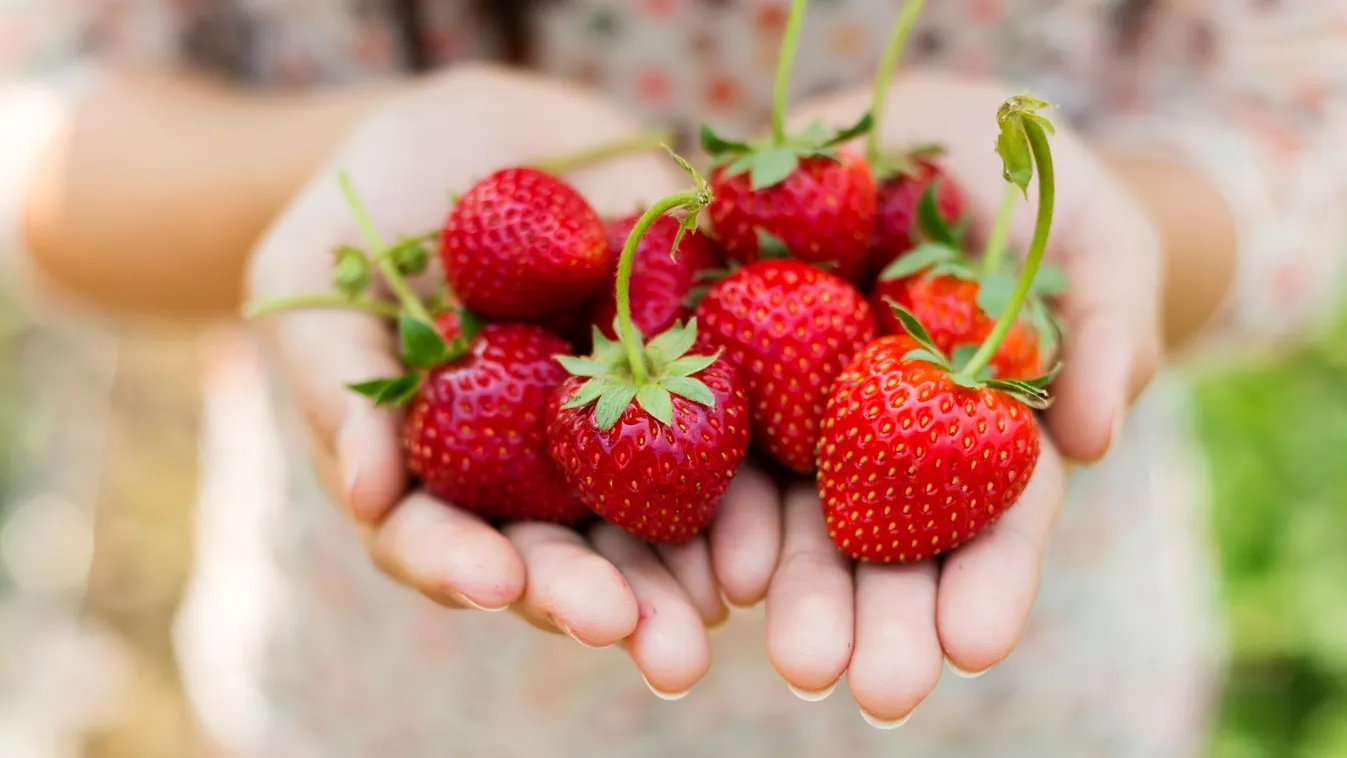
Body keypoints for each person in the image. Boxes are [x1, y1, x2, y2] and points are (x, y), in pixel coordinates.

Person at [3, 1, 1345, 756]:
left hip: (1004, 708)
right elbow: (37, 119)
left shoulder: (879, 324)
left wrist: (1088, 238)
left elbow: (1303, 129)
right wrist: (340, 165)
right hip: (404, 703)